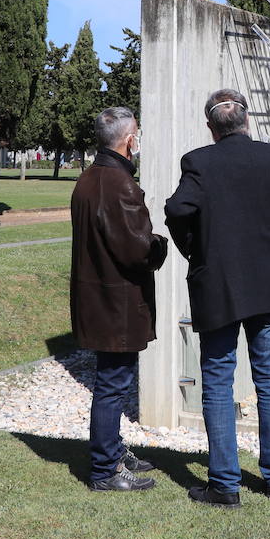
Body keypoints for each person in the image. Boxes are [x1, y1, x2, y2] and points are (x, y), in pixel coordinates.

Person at [165, 89, 270, 509]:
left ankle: (225, 485)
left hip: (218, 285)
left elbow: (177, 210)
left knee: (218, 384)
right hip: (267, 284)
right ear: (247, 120)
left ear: (211, 128)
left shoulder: (199, 162)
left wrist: (195, 250)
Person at [69, 106, 167, 492]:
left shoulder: (88, 179)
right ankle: (104, 471)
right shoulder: (117, 183)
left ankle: (111, 449)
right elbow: (137, 249)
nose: (138, 139)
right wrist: (160, 244)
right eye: (137, 133)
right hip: (116, 303)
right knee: (111, 385)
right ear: (129, 140)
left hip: (98, 298)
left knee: (112, 381)